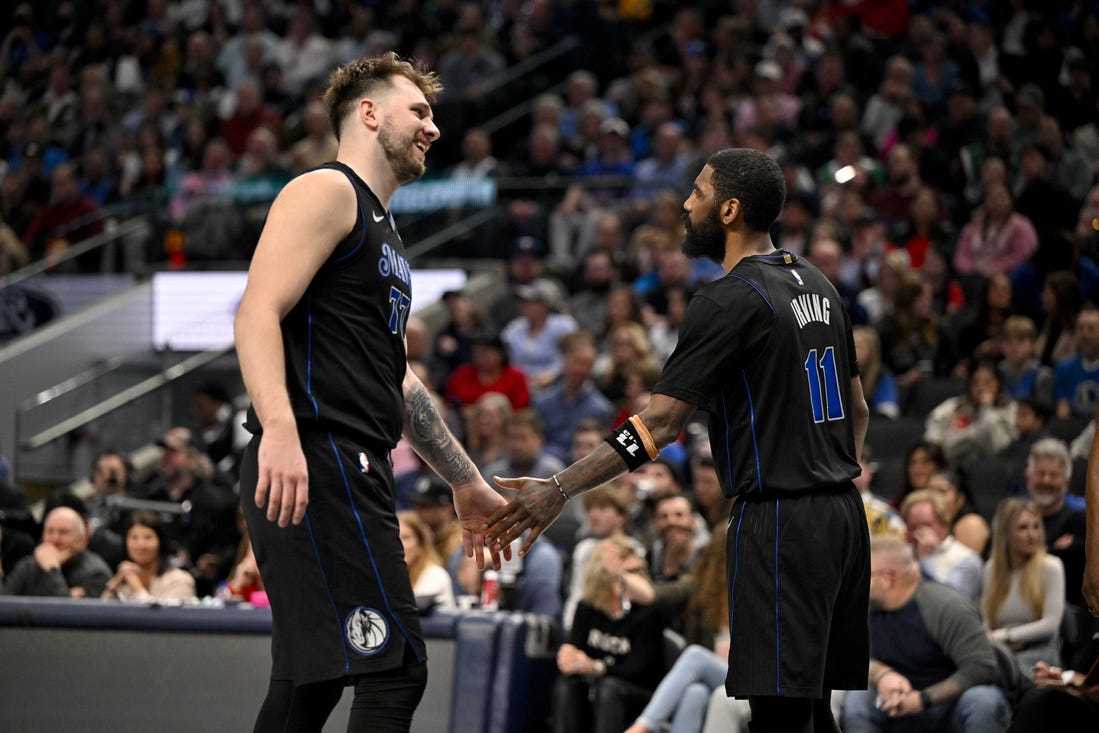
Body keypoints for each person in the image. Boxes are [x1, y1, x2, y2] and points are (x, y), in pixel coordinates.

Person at [488, 148, 871, 733]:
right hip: (843, 515)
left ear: (729, 209)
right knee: (815, 709)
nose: (686, 205)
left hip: (781, 521)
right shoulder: (819, 283)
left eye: (697, 193)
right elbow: (858, 409)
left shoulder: (728, 299)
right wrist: (829, 469)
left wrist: (560, 487)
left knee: (778, 717)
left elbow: (660, 425)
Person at [232, 53, 508, 733]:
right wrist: (281, 429)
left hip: (344, 458)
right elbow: (256, 312)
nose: (433, 128)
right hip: (318, 456)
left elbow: (395, 375)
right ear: (368, 112)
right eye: (419, 110)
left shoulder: (384, 232)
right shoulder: (326, 190)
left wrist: (464, 479)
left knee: (309, 682)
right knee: (394, 669)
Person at [841, 535, 1009, 733]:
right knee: (857, 699)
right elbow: (849, 655)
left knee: (984, 700)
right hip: (894, 701)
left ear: (887, 578)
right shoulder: (867, 607)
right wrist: (882, 675)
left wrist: (924, 699)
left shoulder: (945, 606)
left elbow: (982, 667)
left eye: (863, 575)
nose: (856, 583)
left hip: (948, 705)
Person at [553, 536, 666, 733]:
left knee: (609, 688)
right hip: (596, 685)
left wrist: (597, 667)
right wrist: (568, 658)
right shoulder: (587, 608)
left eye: (637, 571)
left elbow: (638, 671)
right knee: (566, 685)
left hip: (637, 692)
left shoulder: (649, 613)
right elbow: (576, 651)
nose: (634, 579)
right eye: (626, 573)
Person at [981, 498, 1065, 675]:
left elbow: (1050, 625)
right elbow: (986, 622)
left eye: (1036, 526)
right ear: (1005, 533)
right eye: (1023, 528)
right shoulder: (991, 569)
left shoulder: (1051, 567)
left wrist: (1005, 635)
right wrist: (997, 641)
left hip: (1039, 656)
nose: (1032, 534)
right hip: (1000, 652)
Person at [1, 506, 111, 598]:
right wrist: (68, 595)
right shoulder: (28, 566)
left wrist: (52, 569)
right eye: (50, 531)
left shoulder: (96, 574)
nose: (55, 539)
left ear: (82, 541)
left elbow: (72, 616)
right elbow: (5, 606)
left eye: (63, 532)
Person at [900, 489, 984, 604]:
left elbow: (952, 604)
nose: (918, 534)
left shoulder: (967, 560)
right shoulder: (902, 557)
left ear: (945, 524)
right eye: (913, 527)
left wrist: (926, 560)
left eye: (926, 525)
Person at [102, 511, 197, 603]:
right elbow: (100, 615)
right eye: (134, 537)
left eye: (148, 537)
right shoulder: (123, 579)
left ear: (161, 542)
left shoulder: (179, 581)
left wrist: (136, 585)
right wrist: (114, 585)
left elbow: (160, 618)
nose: (140, 545)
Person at [396, 511, 455, 611]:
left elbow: (410, 612)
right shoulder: (391, 576)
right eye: (396, 538)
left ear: (420, 544)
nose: (400, 545)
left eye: (406, 538)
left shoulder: (435, 574)